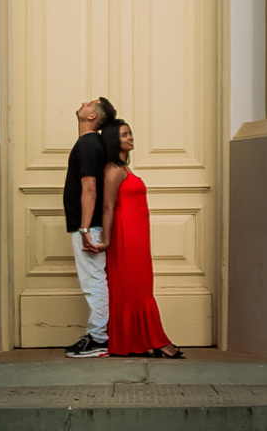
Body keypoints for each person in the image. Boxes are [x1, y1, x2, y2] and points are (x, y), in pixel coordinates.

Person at [100, 119, 184, 359]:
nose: (130, 138)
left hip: (137, 235)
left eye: (130, 134)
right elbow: (107, 206)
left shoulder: (125, 169)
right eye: (125, 135)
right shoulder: (114, 171)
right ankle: (152, 342)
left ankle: (145, 340)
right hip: (125, 235)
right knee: (131, 288)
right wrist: (106, 240)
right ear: (114, 140)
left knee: (141, 287)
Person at [63, 95, 117, 358]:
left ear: (93, 116)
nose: (83, 102)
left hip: (89, 227)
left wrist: (85, 229)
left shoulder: (87, 144)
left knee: (93, 281)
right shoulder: (90, 144)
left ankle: (98, 339)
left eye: (89, 103)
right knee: (94, 280)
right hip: (89, 226)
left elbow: (90, 188)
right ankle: (98, 336)